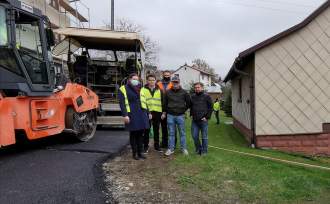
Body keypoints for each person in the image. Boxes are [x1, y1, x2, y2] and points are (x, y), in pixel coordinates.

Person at [118, 73, 150, 160]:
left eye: (137, 79)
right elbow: (122, 103)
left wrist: (148, 112)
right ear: (129, 79)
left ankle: (140, 153)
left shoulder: (141, 88)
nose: (136, 81)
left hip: (141, 113)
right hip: (131, 113)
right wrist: (125, 115)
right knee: (133, 134)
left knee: (140, 134)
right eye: (134, 79)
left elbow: (144, 101)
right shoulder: (123, 88)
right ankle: (134, 153)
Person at [163, 76, 191, 156]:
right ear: (171, 83)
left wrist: (183, 110)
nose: (175, 83)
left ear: (179, 83)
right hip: (170, 115)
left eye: (177, 82)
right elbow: (164, 103)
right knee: (171, 133)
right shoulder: (167, 92)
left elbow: (189, 103)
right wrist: (165, 112)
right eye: (174, 82)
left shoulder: (184, 92)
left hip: (180, 116)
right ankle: (171, 149)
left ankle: (183, 149)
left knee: (182, 133)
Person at [140, 74, 164, 153]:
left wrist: (163, 112)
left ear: (155, 81)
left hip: (157, 112)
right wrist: (148, 112)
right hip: (147, 112)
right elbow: (142, 102)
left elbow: (163, 101)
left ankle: (157, 146)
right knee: (146, 129)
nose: (151, 81)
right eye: (150, 80)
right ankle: (145, 146)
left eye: (153, 80)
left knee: (156, 130)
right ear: (147, 81)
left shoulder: (159, 90)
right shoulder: (143, 89)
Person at [190, 82, 213, 155]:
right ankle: (198, 149)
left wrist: (207, 117)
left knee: (204, 137)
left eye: (198, 87)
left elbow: (210, 107)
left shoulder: (207, 96)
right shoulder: (193, 96)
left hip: (203, 120)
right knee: (194, 136)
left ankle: (204, 151)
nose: (197, 89)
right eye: (195, 87)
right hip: (195, 120)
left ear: (202, 88)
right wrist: (191, 114)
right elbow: (191, 106)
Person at [157, 70, 173, 149]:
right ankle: (164, 143)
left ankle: (172, 143)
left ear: (170, 75)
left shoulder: (173, 84)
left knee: (171, 128)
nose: (166, 76)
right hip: (159, 108)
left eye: (168, 75)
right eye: (165, 75)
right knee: (163, 127)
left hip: (170, 108)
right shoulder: (158, 84)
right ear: (163, 75)